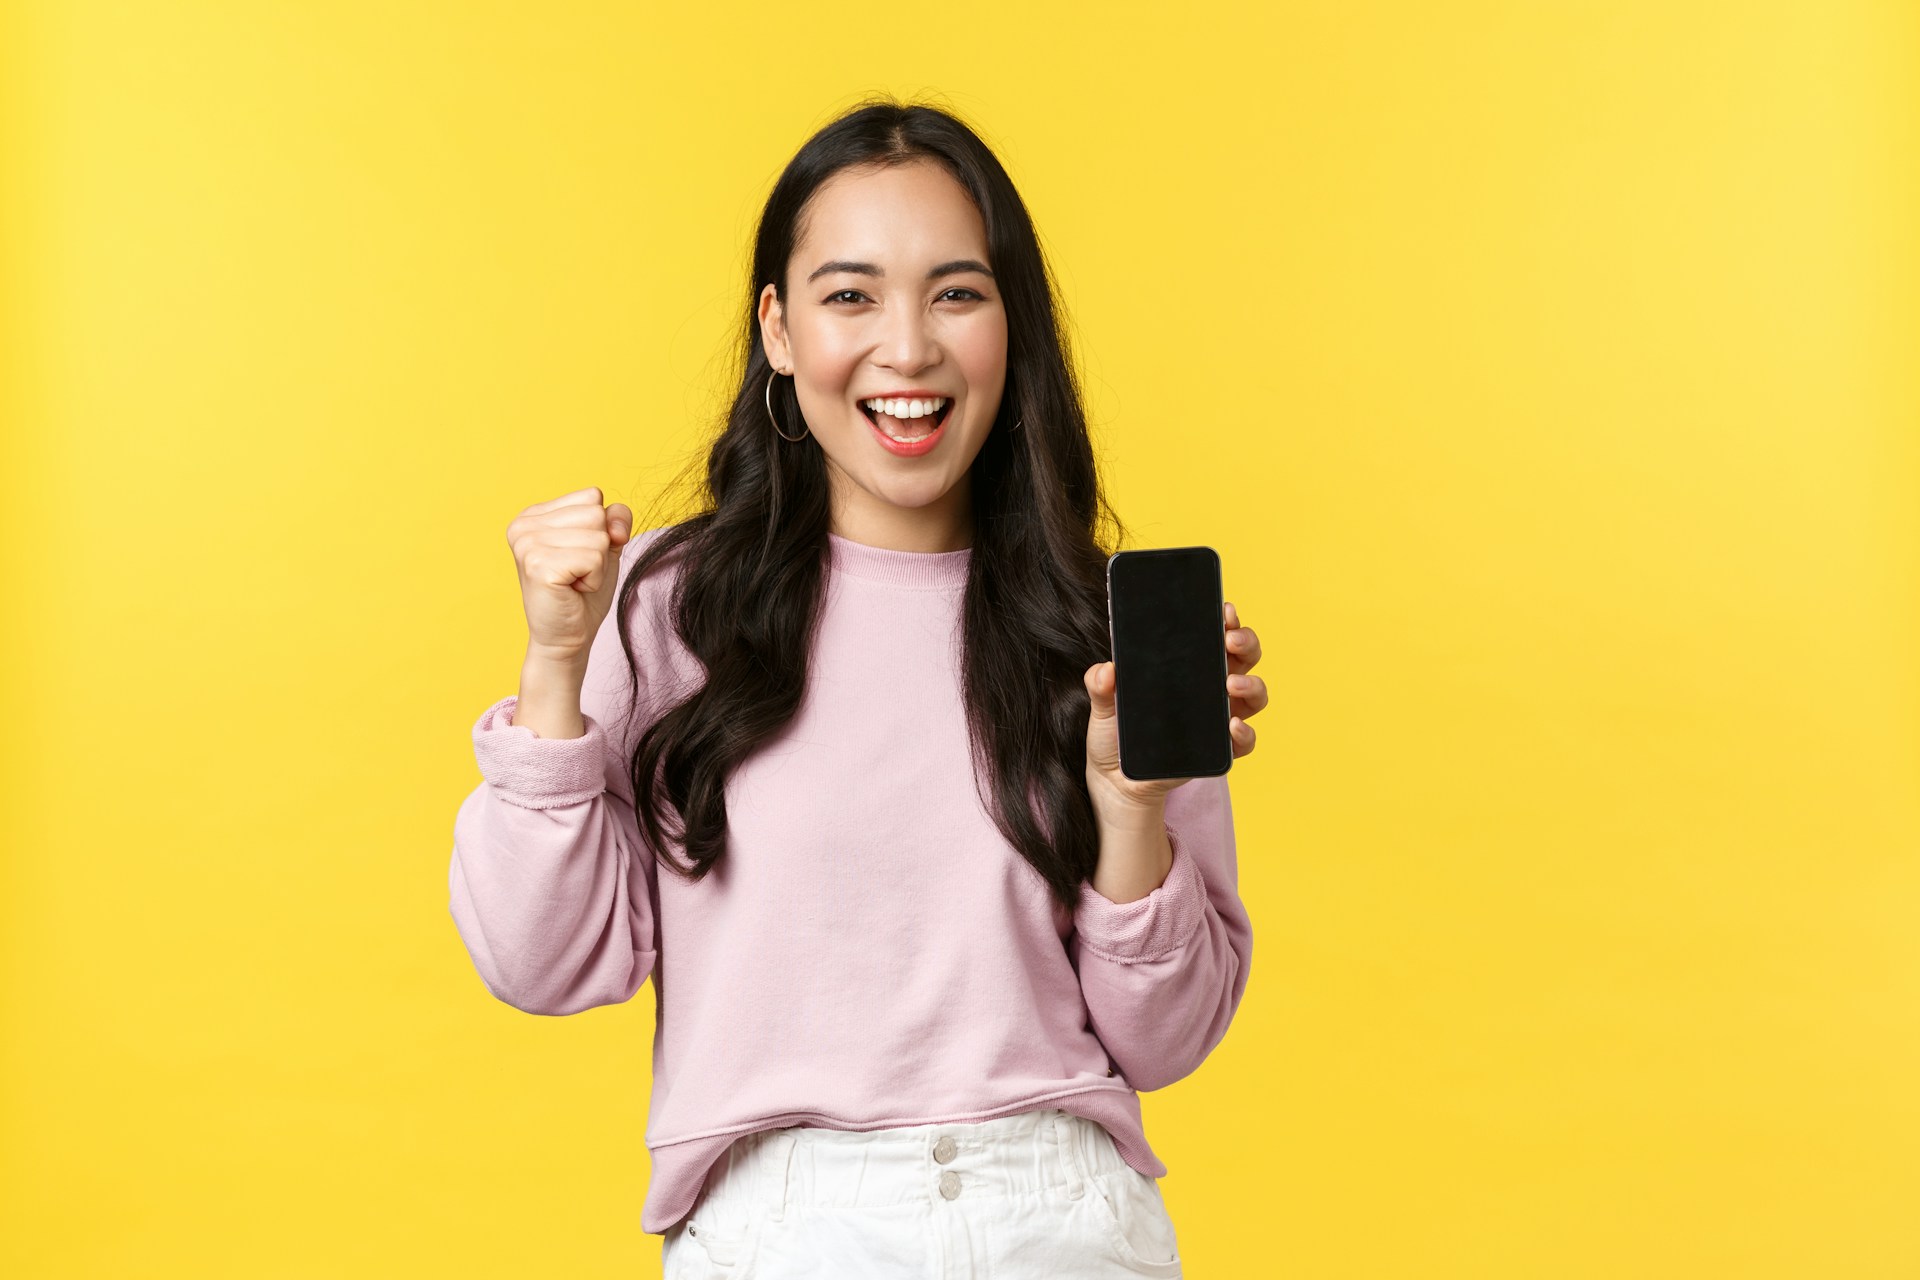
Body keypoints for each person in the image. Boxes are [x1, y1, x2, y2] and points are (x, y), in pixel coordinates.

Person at [447, 97, 1267, 1279]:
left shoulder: (1102, 628)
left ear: (1010, 325)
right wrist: (553, 669)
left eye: (956, 291)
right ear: (777, 328)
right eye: (849, 295)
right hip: (780, 1227)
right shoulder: (675, 603)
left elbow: (1170, 1035)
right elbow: (541, 960)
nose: (908, 347)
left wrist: (1133, 807)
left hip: (1060, 1218)